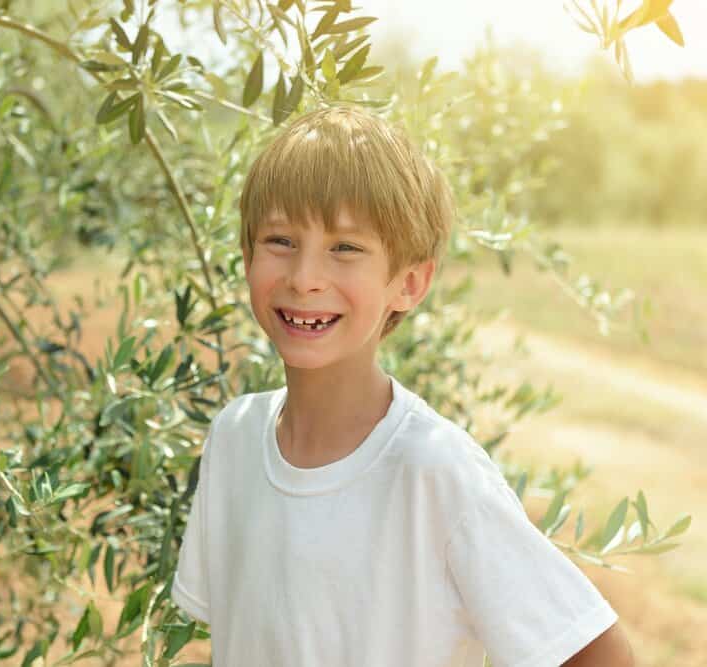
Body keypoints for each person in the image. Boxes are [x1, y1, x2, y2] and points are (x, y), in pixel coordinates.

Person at [170, 105, 634, 666]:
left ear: (409, 283)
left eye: (345, 248)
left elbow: (596, 654)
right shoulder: (234, 438)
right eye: (280, 240)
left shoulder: (435, 470)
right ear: (246, 256)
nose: (304, 278)